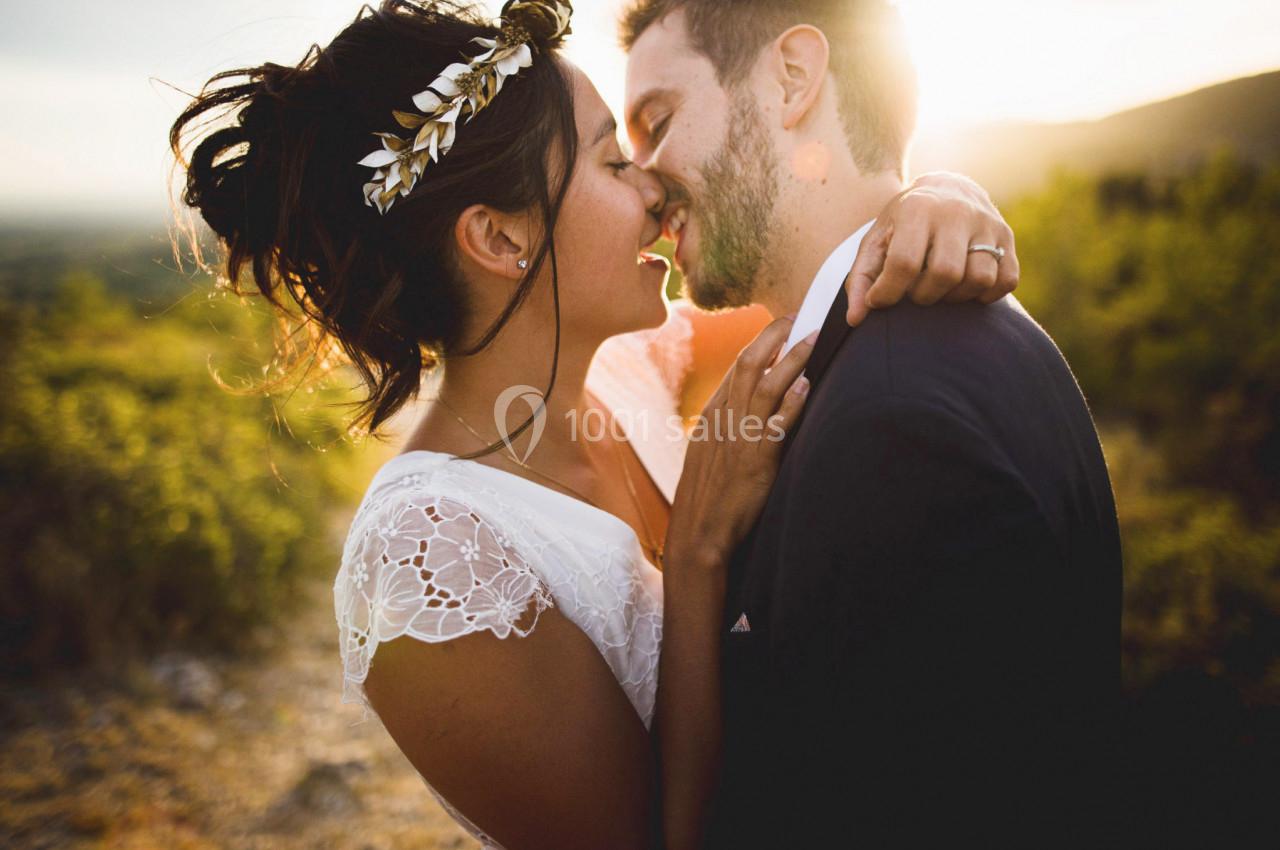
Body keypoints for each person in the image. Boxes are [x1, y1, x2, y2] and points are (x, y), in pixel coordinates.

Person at [170, 2, 1023, 847]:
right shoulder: (429, 559)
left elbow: (824, 284)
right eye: (616, 162)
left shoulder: (628, 366)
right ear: (501, 238)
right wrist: (694, 558)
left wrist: (939, 198)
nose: (657, 188)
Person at [620, 1, 1124, 847]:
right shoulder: (916, 352)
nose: (643, 180)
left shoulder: (893, 428)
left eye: (658, 124)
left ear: (793, 78)